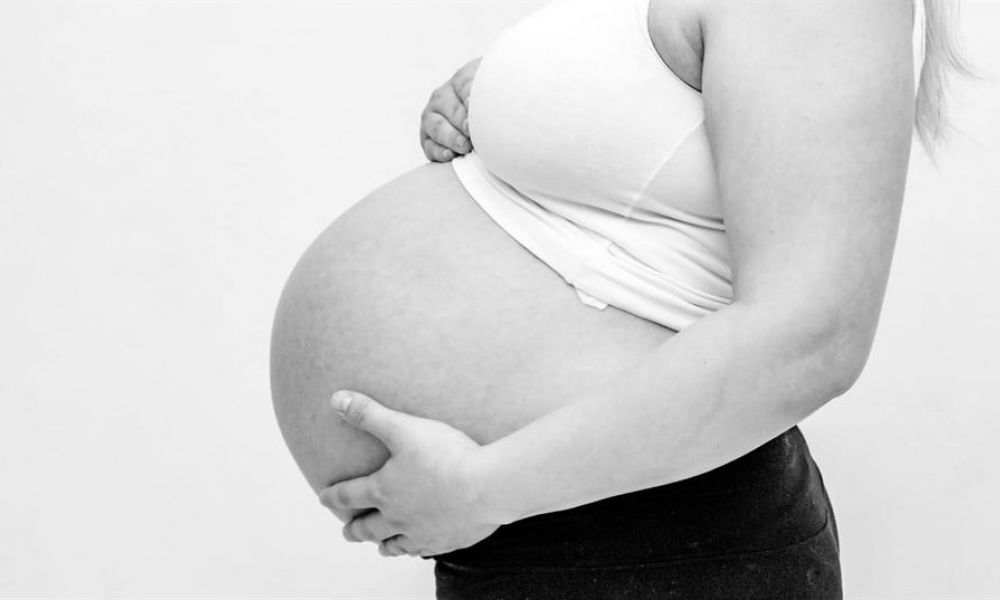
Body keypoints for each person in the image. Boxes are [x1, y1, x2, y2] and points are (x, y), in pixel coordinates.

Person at [269, 0, 971, 597]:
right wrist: (495, 106)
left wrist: (483, 487)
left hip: (647, 539)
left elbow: (812, 339)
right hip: (563, 526)